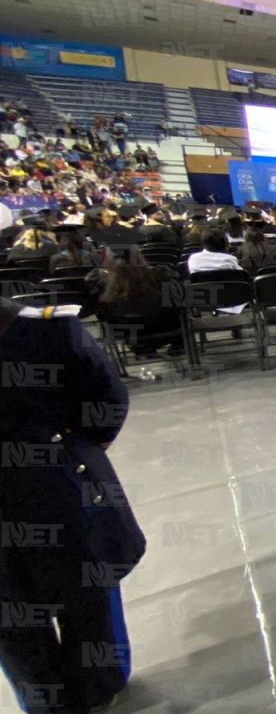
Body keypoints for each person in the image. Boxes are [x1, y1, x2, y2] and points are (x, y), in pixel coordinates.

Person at [0, 296, 145, 713]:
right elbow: (106, 400)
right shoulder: (47, 329)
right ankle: (98, 687)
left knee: (13, 619)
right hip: (57, 482)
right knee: (88, 594)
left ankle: (46, 701)